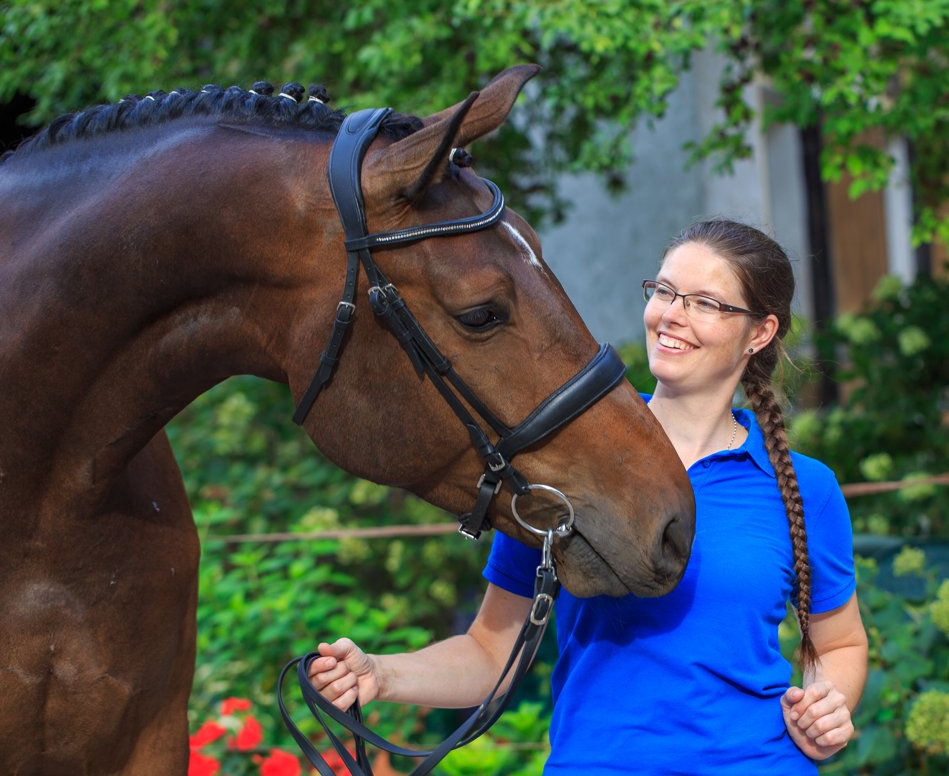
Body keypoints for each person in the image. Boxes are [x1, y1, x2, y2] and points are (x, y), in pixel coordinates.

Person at [308, 219, 869, 774]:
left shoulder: (802, 486)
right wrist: (380, 675)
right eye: (665, 291)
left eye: (704, 302)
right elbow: (489, 651)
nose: (671, 314)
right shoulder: (568, 462)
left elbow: (840, 643)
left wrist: (828, 707)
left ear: (760, 333)